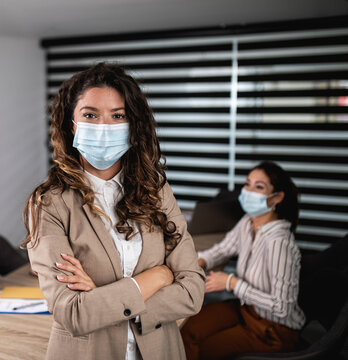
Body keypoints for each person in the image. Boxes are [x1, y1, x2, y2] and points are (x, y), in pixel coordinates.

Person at [22, 63, 205, 360]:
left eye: (118, 116)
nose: (104, 127)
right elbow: (74, 313)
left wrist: (104, 297)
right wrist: (157, 277)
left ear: (132, 125)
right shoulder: (48, 204)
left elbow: (193, 291)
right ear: (72, 124)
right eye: (90, 115)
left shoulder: (157, 192)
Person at [180, 161, 306, 360]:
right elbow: (222, 249)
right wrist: (199, 262)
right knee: (186, 331)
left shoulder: (279, 244)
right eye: (248, 184)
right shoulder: (248, 222)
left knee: (204, 350)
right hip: (246, 309)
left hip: (273, 329)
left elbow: (282, 308)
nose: (249, 191)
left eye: (259, 187)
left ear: (277, 198)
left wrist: (232, 283)